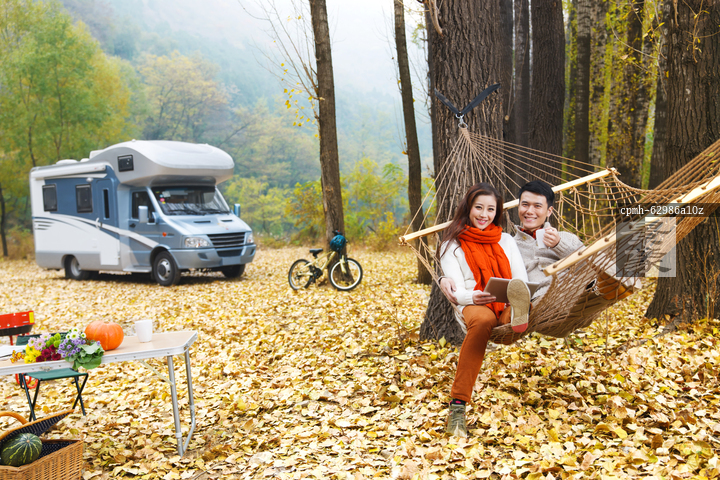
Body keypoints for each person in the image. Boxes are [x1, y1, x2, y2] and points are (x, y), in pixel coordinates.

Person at [438, 183, 531, 438]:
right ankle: (458, 407)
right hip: (473, 302)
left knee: (518, 303)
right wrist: (473, 296)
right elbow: (455, 291)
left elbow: (520, 278)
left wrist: (515, 295)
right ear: (468, 208)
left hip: (507, 301)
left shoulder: (506, 240)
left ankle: (518, 312)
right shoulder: (451, 245)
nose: (484, 214)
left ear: (497, 212)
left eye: (491, 209)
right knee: (481, 322)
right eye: (479, 207)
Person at [441, 180, 583, 305]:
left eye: (537, 206)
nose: (529, 211)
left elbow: (592, 264)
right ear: (519, 207)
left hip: (575, 290)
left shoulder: (566, 238)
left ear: (549, 211)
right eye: (525, 205)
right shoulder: (508, 245)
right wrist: (443, 279)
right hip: (541, 302)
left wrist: (559, 245)